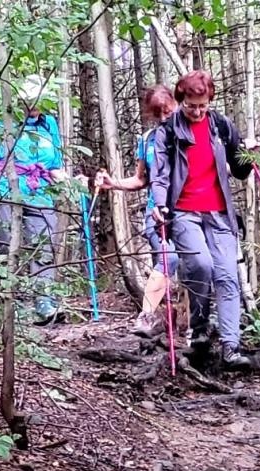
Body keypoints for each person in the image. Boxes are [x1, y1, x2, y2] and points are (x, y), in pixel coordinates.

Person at [147, 71, 260, 369]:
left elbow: (239, 169)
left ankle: (230, 347)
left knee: (227, 275)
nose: (197, 111)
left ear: (209, 101)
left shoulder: (221, 125)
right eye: (191, 106)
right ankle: (198, 331)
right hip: (183, 211)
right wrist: (160, 205)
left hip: (219, 212)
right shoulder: (168, 131)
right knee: (200, 265)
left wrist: (249, 157)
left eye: (202, 105)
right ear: (181, 101)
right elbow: (159, 175)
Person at [0, 75, 68, 325]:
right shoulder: (4, 120)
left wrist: (72, 183)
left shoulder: (48, 123)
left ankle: (43, 302)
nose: (34, 105)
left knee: (45, 243)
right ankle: (12, 304)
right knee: (6, 243)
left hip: (40, 190)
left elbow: (54, 165)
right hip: (6, 188)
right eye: (30, 100)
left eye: (39, 100)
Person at [95, 85, 179, 336]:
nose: (163, 118)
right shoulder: (147, 140)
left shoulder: (189, 134)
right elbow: (140, 179)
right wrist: (114, 184)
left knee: (196, 267)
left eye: (167, 111)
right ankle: (147, 318)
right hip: (157, 213)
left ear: (175, 105)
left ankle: (190, 328)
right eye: (157, 114)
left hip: (191, 211)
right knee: (168, 258)